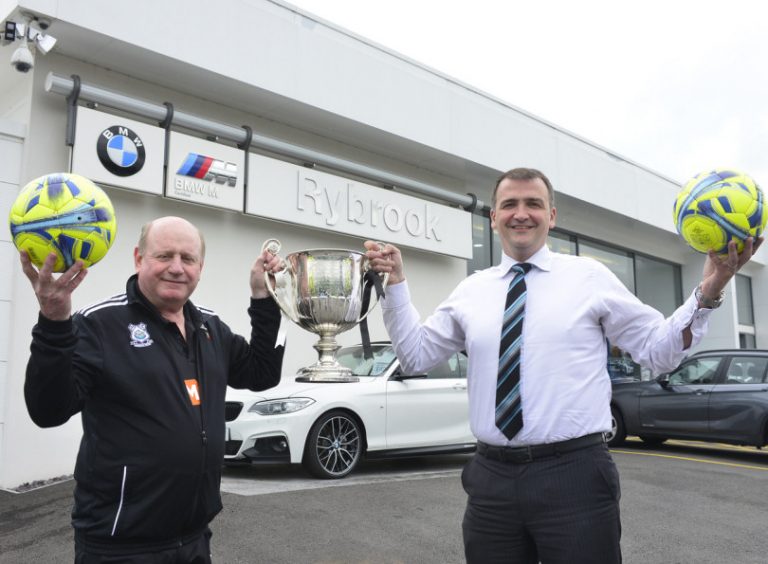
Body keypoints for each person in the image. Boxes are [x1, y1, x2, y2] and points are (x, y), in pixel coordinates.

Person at [364, 168, 762, 564]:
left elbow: (658, 351)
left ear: (551, 216)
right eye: (510, 204)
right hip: (491, 481)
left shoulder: (589, 277)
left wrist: (709, 292)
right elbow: (415, 355)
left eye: (534, 204)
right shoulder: (471, 290)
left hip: (575, 476)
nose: (522, 213)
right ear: (494, 217)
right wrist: (396, 284)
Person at [21, 216, 285, 563]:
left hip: (193, 539)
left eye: (187, 258)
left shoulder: (210, 328)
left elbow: (263, 373)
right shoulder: (100, 325)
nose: (176, 268)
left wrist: (264, 298)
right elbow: (47, 411)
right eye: (164, 256)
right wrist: (54, 323)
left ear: (200, 268)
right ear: (138, 258)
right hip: (121, 547)